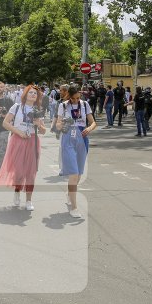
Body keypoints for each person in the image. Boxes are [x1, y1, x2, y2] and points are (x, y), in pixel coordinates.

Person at [0, 85, 46, 211]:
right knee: (19, 171)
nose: (33, 95)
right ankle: (17, 192)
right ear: (25, 94)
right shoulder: (16, 107)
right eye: (30, 92)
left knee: (31, 172)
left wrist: (39, 125)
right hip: (18, 141)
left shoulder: (38, 109)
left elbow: (43, 131)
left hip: (32, 141)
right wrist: (18, 132)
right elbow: (5, 123)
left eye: (35, 93)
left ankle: (29, 200)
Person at [56, 85, 97, 218]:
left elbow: (93, 122)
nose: (75, 101)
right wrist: (62, 124)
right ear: (69, 96)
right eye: (73, 98)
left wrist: (89, 129)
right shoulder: (63, 106)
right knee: (73, 173)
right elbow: (57, 124)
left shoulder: (85, 104)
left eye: (77, 98)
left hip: (82, 138)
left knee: (78, 174)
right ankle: (74, 207)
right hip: (68, 138)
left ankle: (69, 193)